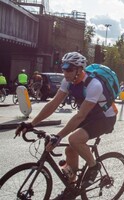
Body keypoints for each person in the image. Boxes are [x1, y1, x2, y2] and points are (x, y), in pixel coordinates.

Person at [15, 52, 118, 198]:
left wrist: (58, 136)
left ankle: (94, 166)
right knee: (70, 151)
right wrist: (31, 124)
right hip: (89, 115)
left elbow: (80, 116)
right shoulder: (67, 81)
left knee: (74, 139)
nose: (65, 72)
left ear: (79, 69)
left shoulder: (94, 84)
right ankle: (71, 187)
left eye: (69, 69)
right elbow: (53, 104)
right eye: (63, 68)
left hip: (105, 118)